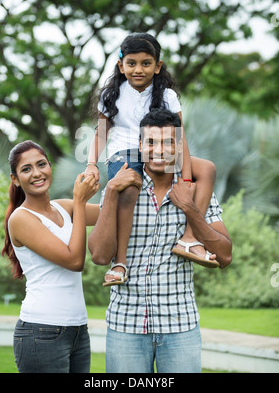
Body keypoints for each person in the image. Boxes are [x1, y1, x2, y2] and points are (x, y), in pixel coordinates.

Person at [88, 109, 232, 373]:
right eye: (151, 142)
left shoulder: (194, 190)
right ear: (141, 145)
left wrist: (190, 209)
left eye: (168, 142)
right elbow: (98, 256)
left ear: (179, 146)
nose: (159, 150)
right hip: (126, 326)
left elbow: (225, 256)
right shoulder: (123, 187)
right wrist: (109, 191)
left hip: (180, 327)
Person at [85, 32, 218, 287]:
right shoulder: (110, 95)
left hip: (163, 151)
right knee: (129, 187)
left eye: (146, 63)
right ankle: (120, 262)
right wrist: (92, 163)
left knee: (208, 170)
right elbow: (101, 134)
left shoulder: (167, 95)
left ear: (157, 66)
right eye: (131, 63)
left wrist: (187, 177)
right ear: (120, 65)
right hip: (126, 151)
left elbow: (180, 138)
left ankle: (189, 240)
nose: (138, 69)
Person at [2, 140, 100, 373]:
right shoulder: (20, 218)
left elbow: (112, 213)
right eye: (26, 169)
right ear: (15, 179)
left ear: (49, 167)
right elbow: (75, 261)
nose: (36, 173)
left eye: (41, 164)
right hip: (41, 332)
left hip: (77, 330)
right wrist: (79, 201)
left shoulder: (64, 208)